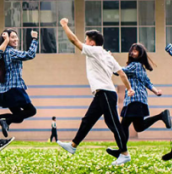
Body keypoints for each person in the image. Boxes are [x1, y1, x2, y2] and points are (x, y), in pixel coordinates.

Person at [55, 18, 133, 166]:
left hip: (105, 92)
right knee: (87, 120)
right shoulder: (107, 55)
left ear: (92, 42)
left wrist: (64, 25)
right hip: (102, 93)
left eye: (87, 39)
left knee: (114, 124)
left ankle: (124, 154)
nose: (85, 41)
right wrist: (129, 89)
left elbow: (74, 41)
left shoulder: (95, 51)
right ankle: (73, 145)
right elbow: (121, 73)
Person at [0, 29, 39, 137]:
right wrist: (34, 39)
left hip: (4, 92)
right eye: (13, 37)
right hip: (15, 89)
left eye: (16, 37)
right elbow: (30, 55)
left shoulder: (1, 53)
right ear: (6, 40)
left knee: (18, 117)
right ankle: (6, 121)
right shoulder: (11, 52)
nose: (16, 39)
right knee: (31, 111)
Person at [116, 43, 172, 145]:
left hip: (134, 99)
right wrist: (156, 91)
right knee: (139, 126)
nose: (132, 52)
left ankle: (122, 150)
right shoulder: (141, 67)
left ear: (140, 54)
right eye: (131, 50)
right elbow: (147, 82)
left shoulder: (135, 65)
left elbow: (120, 71)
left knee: (124, 125)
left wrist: (109, 61)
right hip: (140, 100)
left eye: (135, 51)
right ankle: (161, 116)